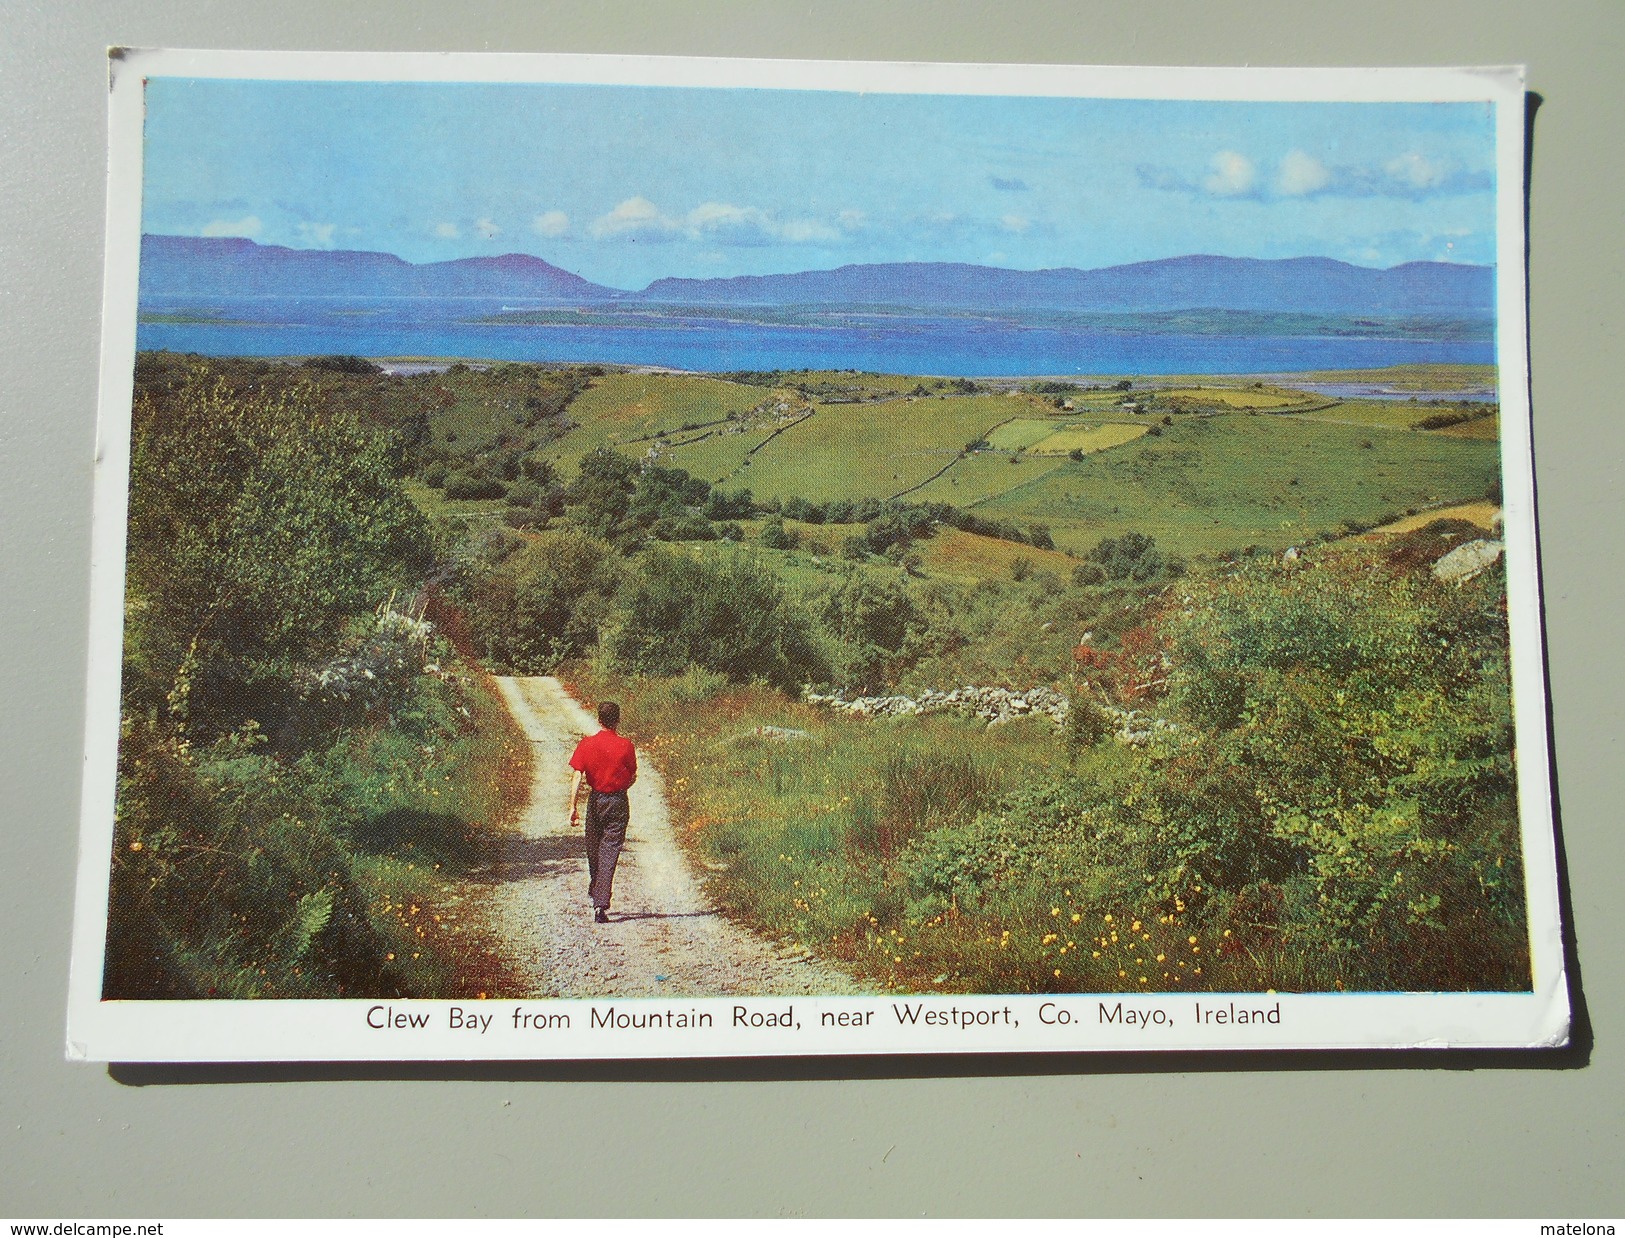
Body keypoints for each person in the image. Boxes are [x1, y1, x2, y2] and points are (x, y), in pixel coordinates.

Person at [567, 700, 638, 923]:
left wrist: (572, 806)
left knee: (593, 847)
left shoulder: (587, 744)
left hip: (595, 800)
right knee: (609, 850)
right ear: (617, 721)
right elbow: (633, 774)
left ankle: (598, 895)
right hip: (617, 801)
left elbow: (577, 775)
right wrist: (622, 786)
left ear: (598, 720)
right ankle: (600, 898)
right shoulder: (626, 745)